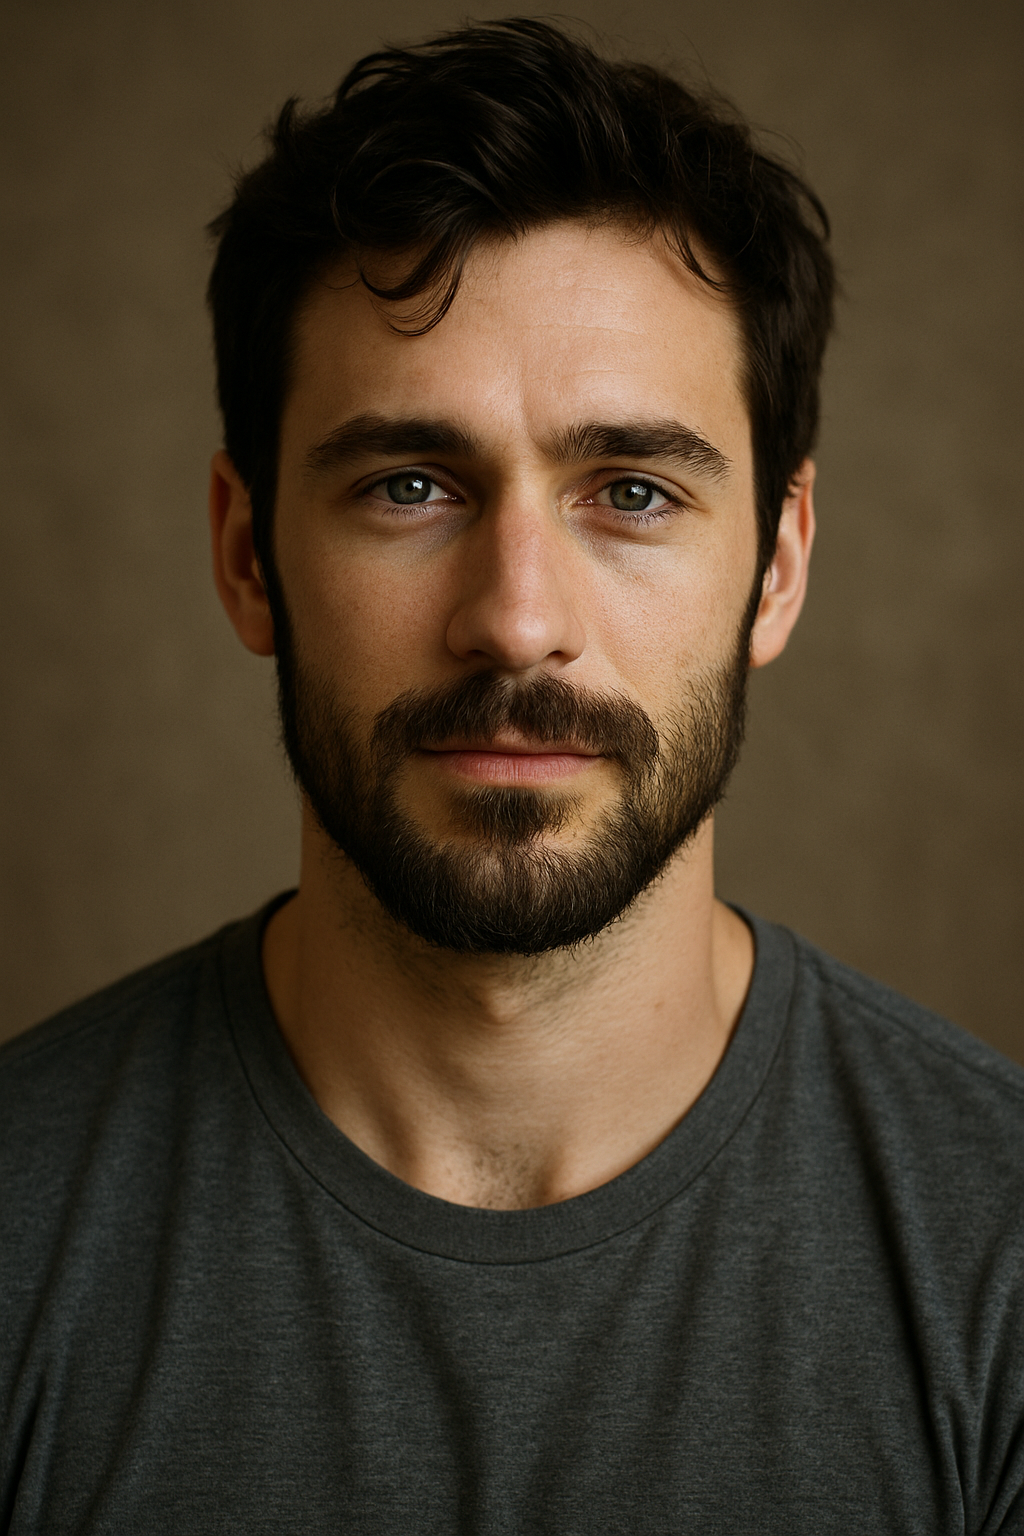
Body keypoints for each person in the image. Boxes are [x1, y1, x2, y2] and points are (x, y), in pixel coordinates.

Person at [2, 16, 1023, 1532]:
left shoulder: (998, 1257)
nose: (518, 618)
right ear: (246, 554)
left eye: (631, 491)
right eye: (409, 486)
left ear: (781, 565)